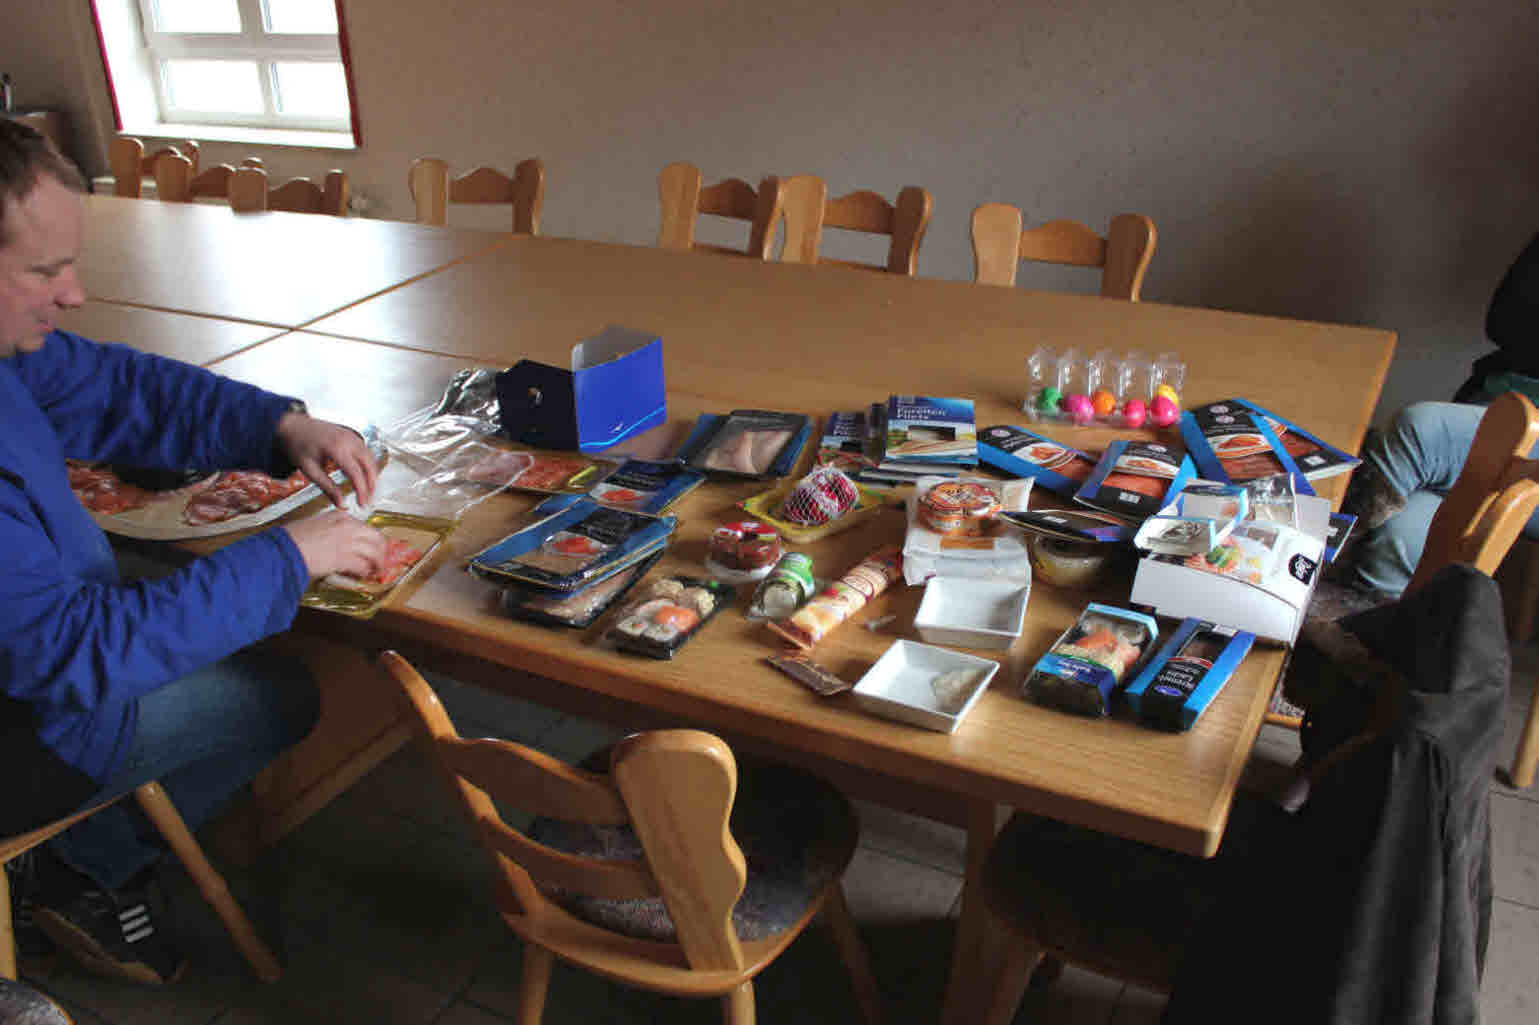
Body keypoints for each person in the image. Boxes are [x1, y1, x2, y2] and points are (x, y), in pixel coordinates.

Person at [0, 118, 389, 984]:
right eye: (45, 270)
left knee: (203, 607)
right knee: (284, 692)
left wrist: (276, 425)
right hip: (25, 740)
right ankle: (79, 867)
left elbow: (116, 388)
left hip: (42, 664)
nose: (73, 293)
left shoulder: (8, 354)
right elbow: (77, 654)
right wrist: (287, 559)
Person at [1337, 228, 1539, 596]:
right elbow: (1506, 320)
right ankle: (1360, 618)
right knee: (1401, 535)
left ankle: (1315, 557)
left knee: (1420, 430)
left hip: (1523, 433)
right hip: (1499, 405)